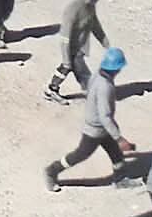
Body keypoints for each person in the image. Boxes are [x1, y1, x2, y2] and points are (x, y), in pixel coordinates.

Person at [46, 47, 136, 190]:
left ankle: (121, 178)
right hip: (96, 129)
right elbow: (105, 115)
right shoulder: (105, 86)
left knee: (115, 152)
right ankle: (52, 170)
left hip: (99, 126)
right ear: (116, 69)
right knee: (81, 154)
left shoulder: (98, 76)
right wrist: (119, 138)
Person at [47, 0, 108, 104]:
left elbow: (94, 24)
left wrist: (103, 40)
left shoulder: (89, 7)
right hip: (71, 47)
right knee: (81, 72)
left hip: (80, 47)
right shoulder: (73, 10)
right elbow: (65, 36)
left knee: (68, 68)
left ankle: (52, 89)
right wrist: (65, 57)